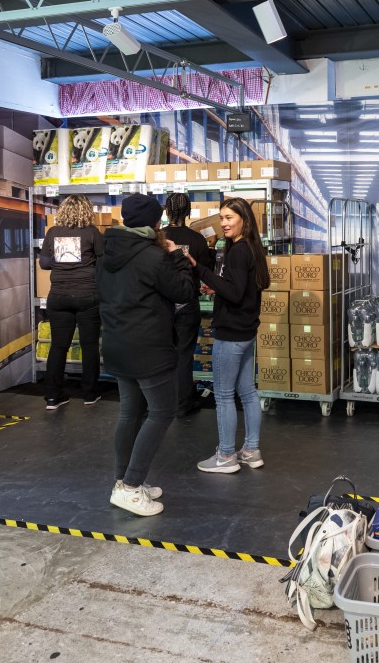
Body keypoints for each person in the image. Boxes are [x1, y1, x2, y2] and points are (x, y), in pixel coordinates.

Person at [97, 193, 196, 517]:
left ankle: (123, 481)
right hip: (149, 348)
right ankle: (130, 487)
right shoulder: (155, 257)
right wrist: (178, 255)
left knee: (130, 413)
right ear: (155, 222)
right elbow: (184, 291)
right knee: (162, 412)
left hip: (117, 343)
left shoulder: (108, 253)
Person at [180, 196, 269, 473]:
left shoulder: (239, 251)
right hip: (246, 330)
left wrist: (200, 269)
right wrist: (217, 286)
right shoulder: (252, 247)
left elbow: (234, 292)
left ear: (244, 219)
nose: (224, 223)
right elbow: (240, 287)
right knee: (248, 392)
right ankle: (251, 451)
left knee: (223, 395)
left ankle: (226, 456)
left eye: (229, 218)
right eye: (221, 218)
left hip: (231, 334)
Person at [38, 194, 104, 410]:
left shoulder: (53, 232)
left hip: (58, 296)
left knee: (58, 346)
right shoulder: (92, 232)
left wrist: (62, 260)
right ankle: (90, 394)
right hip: (87, 295)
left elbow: (44, 264)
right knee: (89, 345)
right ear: (87, 211)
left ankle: (52, 396)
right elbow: (103, 262)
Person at [160, 192, 214, 417]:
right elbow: (206, 270)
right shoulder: (197, 239)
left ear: (167, 210)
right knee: (184, 354)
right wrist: (211, 247)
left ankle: (160, 402)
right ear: (188, 211)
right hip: (187, 302)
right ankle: (183, 403)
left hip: (162, 303)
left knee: (161, 354)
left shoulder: (158, 236)